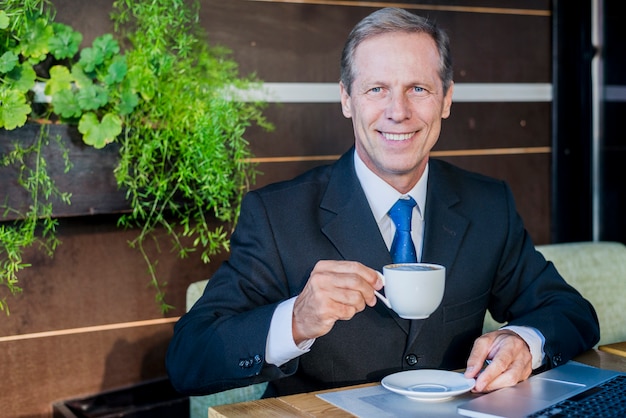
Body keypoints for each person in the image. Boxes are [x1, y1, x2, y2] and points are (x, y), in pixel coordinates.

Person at [166, 7, 599, 397]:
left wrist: (525, 342)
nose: (398, 111)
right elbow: (189, 358)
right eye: (376, 89)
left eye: (418, 89)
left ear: (446, 99)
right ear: (346, 99)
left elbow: (571, 312)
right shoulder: (275, 216)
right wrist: (295, 319)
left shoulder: (488, 204)